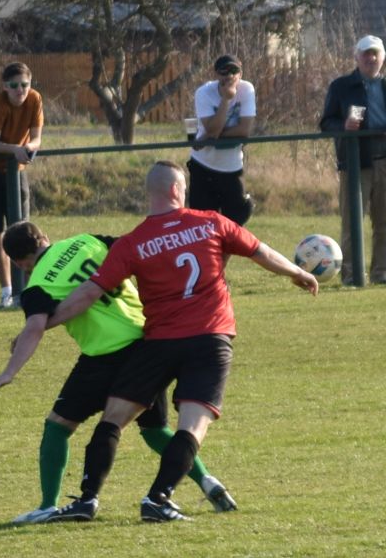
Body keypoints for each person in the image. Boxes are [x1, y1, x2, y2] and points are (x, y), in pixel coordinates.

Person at [46, 161, 317, 522]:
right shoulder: (211, 223)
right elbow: (260, 252)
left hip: (158, 343)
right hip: (209, 339)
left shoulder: (132, 243)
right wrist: (297, 272)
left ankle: (86, 500)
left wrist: (43, 323)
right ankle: (157, 499)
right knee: (192, 425)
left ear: (151, 192)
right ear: (176, 190)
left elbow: (88, 293)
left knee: (114, 418)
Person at [0, 221, 236, 524]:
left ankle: (49, 505)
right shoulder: (88, 241)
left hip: (105, 356)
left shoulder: (38, 285)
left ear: (19, 263)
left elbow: (35, 327)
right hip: (147, 342)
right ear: (44, 237)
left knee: (58, 426)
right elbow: (138, 253)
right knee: (153, 428)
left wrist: (9, 372)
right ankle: (207, 481)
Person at [0, 62, 43, 309]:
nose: (20, 90)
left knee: (23, 230)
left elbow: (36, 138)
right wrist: (15, 149)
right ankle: (7, 291)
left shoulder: (35, 99)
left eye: (24, 84)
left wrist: (29, 148)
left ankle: (29, 289)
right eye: (14, 85)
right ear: (5, 86)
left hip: (16, 171)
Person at [320, 35, 386, 285]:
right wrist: (344, 126)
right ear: (356, 57)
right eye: (366, 54)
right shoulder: (341, 86)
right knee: (352, 223)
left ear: (383, 58)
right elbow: (326, 123)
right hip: (356, 163)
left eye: (375, 54)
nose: (371, 58)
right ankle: (351, 275)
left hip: (384, 161)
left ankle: (381, 273)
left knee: (384, 222)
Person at [187, 54, 256, 225]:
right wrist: (226, 99)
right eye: (224, 72)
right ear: (217, 75)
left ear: (240, 74)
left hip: (232, 168)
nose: (229, 76)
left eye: (234, 71)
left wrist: (208, 137)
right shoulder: (204, 93)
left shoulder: (247, 89)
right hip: (203, 166)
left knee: (235, 222)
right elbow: (213, 129)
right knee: (202, 224)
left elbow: (244, 130)